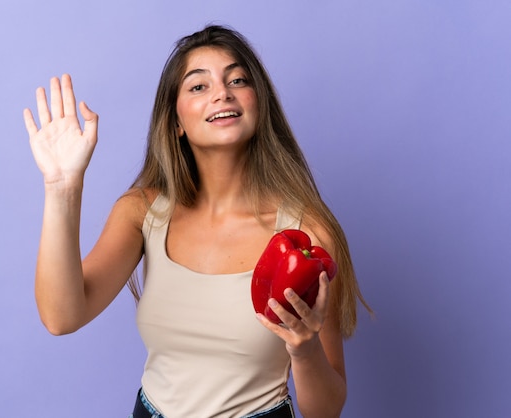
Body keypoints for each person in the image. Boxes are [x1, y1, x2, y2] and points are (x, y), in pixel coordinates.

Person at [23, 25, 369, 418]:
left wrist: (304, 351)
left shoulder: (309, 234)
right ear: (176, 123)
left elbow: (325, 410)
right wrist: (62, 187)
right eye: (198, 86)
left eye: (237, 80)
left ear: (259, 104)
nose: (222, 92)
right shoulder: (143, 211)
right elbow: (61, 317)